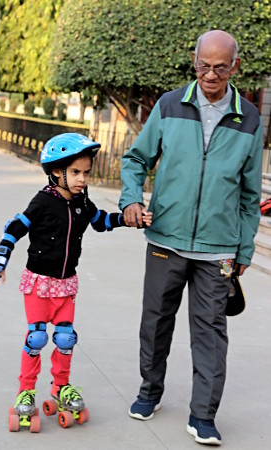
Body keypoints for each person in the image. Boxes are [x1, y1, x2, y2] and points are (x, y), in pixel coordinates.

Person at [119, 30, 263, 446]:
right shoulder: (168, 105)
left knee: (210, 331)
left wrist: (244, 248)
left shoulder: (249, 117)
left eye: (220, 67)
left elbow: (251, 195)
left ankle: (203, 415)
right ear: (194, 61)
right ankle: (149, 392)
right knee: (156, 322)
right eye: (204, 65)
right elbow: (135, 159)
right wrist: (131, 200)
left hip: (218, 249)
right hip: (166, 237)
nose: (211, 75)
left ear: (235, 66)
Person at [0, 133, 152, 427]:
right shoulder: (42, 202)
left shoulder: (81, 203)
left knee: (65, 339)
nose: (82, 179)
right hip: (39, 283)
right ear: (55, 171)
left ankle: (60, 387)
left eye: (86, 173)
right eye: (75, 172)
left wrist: (127, 219)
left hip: (66, 284)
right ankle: (25, 392)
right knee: (36, 338)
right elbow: (14, 228)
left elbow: (100, 221)